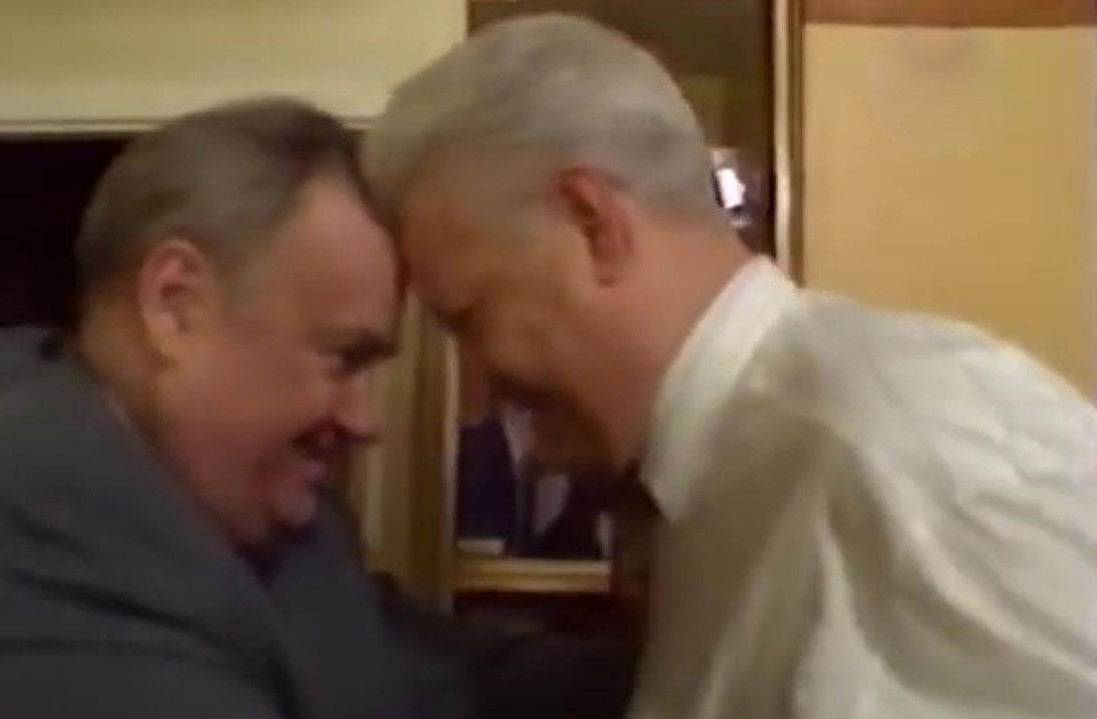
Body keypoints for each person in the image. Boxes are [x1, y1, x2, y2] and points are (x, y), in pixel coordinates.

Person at [361, 14, 1097, 719]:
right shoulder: (726, 485)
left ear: (593, 224)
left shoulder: (897, 453)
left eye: (471, 317)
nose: (477, 384)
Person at [0, 98, 635, 719]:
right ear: (174, 302)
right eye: (342, 357)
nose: (365, 419)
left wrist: (672, 658)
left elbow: (419, 665)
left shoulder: (249, 504)